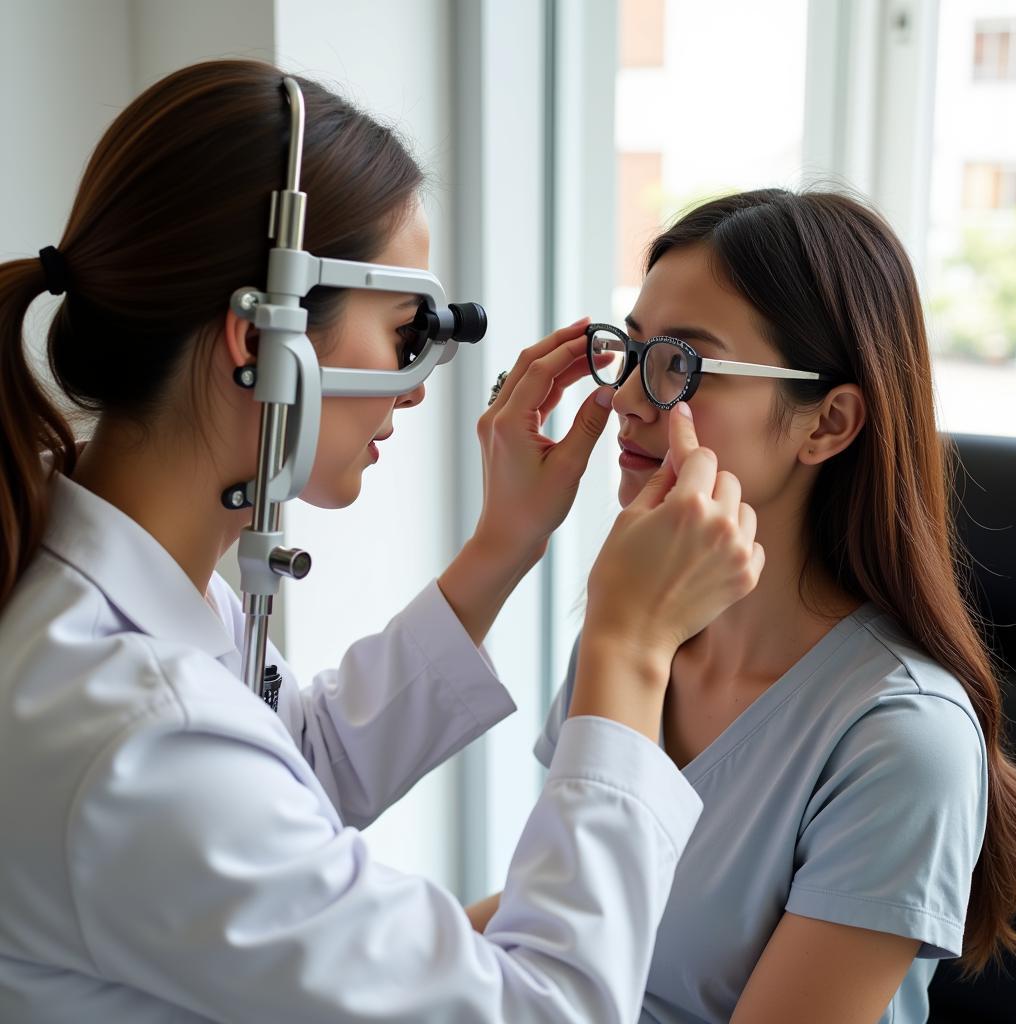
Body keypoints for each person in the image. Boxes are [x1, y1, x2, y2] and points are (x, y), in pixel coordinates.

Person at [0, 60, 769, 1023]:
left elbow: (282, 774)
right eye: (406, 335)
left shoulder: (102, 573)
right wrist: (629, 648)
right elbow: (546, 1011)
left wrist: (504, 544)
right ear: (260, 335)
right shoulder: (133, 734)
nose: (415, 386)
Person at [469, 189, 1016, 1023]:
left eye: (682, 366)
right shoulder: (634, 633)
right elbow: (548, 905)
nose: (627, 399)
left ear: (827, 424)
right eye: (632, 350)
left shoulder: (904, 741)